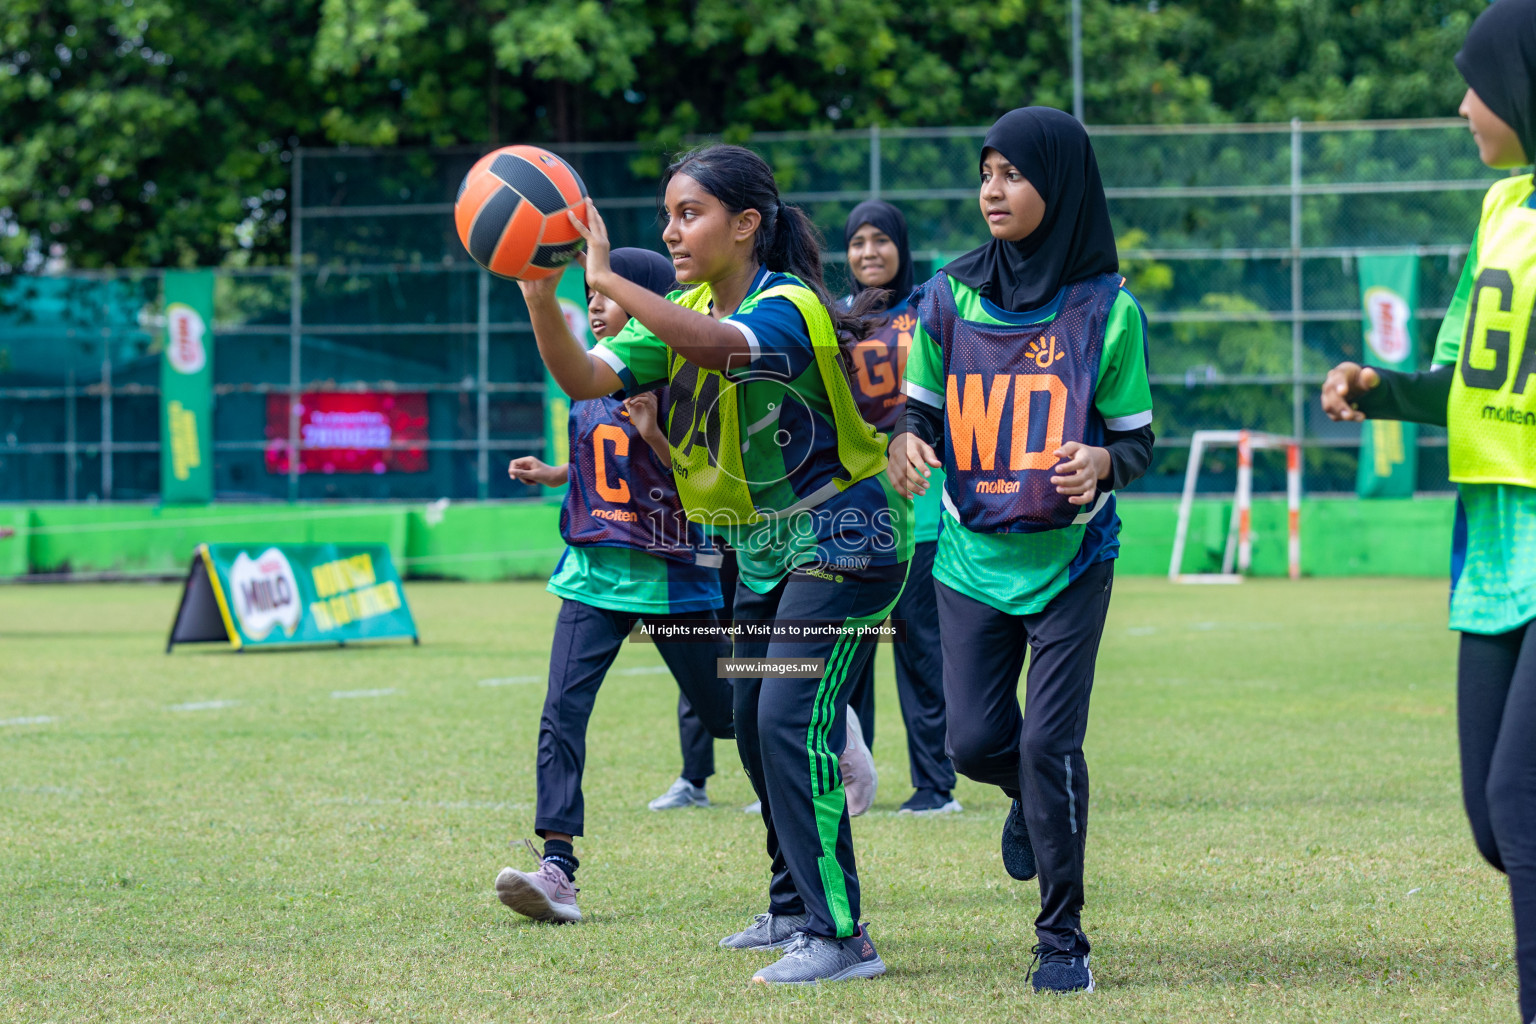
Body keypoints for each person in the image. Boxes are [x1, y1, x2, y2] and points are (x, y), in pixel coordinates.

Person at [522, 143, 909, 985]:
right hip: (766, 554)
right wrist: (539, 294)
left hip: (845, 542)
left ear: (746, 224)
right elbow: (583, 372)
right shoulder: (688, 299)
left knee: (784, 718)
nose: (670, 231)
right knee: (747, 717)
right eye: (666, 215)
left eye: (687, 214)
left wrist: (608, 276)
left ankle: (843, 936)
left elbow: (715, 345)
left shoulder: (790, 306)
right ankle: (792, 907)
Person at [887, 107, 1154, 994]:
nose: (991, 191)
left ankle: (1062, 938)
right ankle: (1029, 801)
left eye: (1012, 174)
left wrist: (1103, 460)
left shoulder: (1109, 311)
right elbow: (917, 409)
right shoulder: (946, 296)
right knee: (971, 744)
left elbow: (1140, 443)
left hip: (1071, 564)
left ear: (1062, 185)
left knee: (1049, 744)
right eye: (985, 172)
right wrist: (908, 441)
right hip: (968, 557)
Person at [1322, 5, 1536, 1017]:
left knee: (1521, 803)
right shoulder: (1502, 208)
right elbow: (1460, 376)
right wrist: (1380, 389)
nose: (1463, 104)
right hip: (1494, 549)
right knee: (1494, 825)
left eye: (1478, 82)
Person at [493, 248, 735, 925]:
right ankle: (557, 868)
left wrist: (657, 434)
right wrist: (553, 475)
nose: (595, 302)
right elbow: (599, 471)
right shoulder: (588, 378)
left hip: (671, 580)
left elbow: (703, 483)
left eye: (610, 292)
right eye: (591, 292)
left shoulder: (683, 382)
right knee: (561, 713)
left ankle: (828, 732)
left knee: (728, 716)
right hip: (593, 574)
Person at [840, 199, 961, 816]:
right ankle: (845, 778)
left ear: (901, 246)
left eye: (880, 240)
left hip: (922, 505)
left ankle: (935, 786)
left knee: (918, 646)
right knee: (847, 653)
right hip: (855, 512)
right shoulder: (836, 320)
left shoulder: (933, 309)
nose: (869, 252)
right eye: (858, 241)